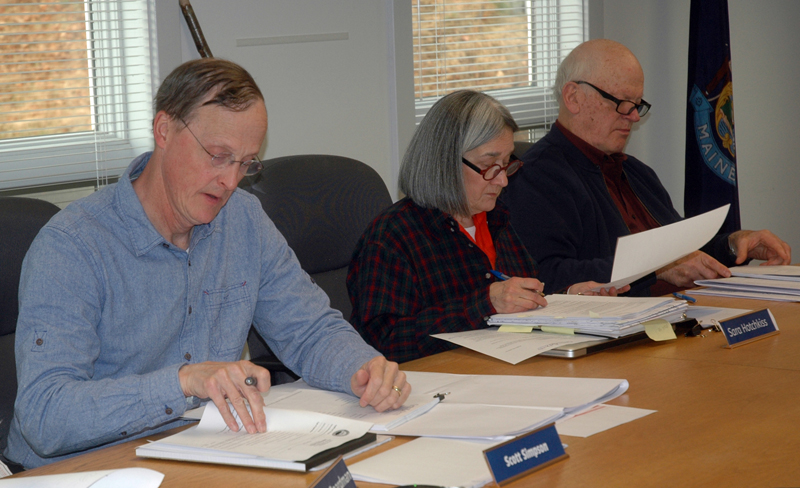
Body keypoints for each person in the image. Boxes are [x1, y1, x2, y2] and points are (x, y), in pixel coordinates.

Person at [3, 58, 410, 471]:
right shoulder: (73, 246)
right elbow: (45, 415)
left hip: (201, 454)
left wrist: (361, 368)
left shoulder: (244, 220)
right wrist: (184, 382)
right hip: (86, 471)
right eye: (218, 156)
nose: (230, 181)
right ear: (164, 130)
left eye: (246, 163)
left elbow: (308, 330)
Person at [347, 90, 626, 363]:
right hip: (440, 387)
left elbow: (519, 296)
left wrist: (568, 298)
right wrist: (484, 305)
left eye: (506, 164)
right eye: (489, 165)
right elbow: (382, 342)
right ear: (445, 163)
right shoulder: (392, 237)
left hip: (508, 369)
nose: (502, 180)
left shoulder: (496, 219)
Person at [502, 39, 791, 296]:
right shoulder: (533, 177)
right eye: (622, 103)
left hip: (683, 315)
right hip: (616, 339)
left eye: (637, 105)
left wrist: (734, 245)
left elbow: (682, 253)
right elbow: (545, 277)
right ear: (573, 97)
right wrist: (655, 268)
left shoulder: (637, 173)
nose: (633, 117)